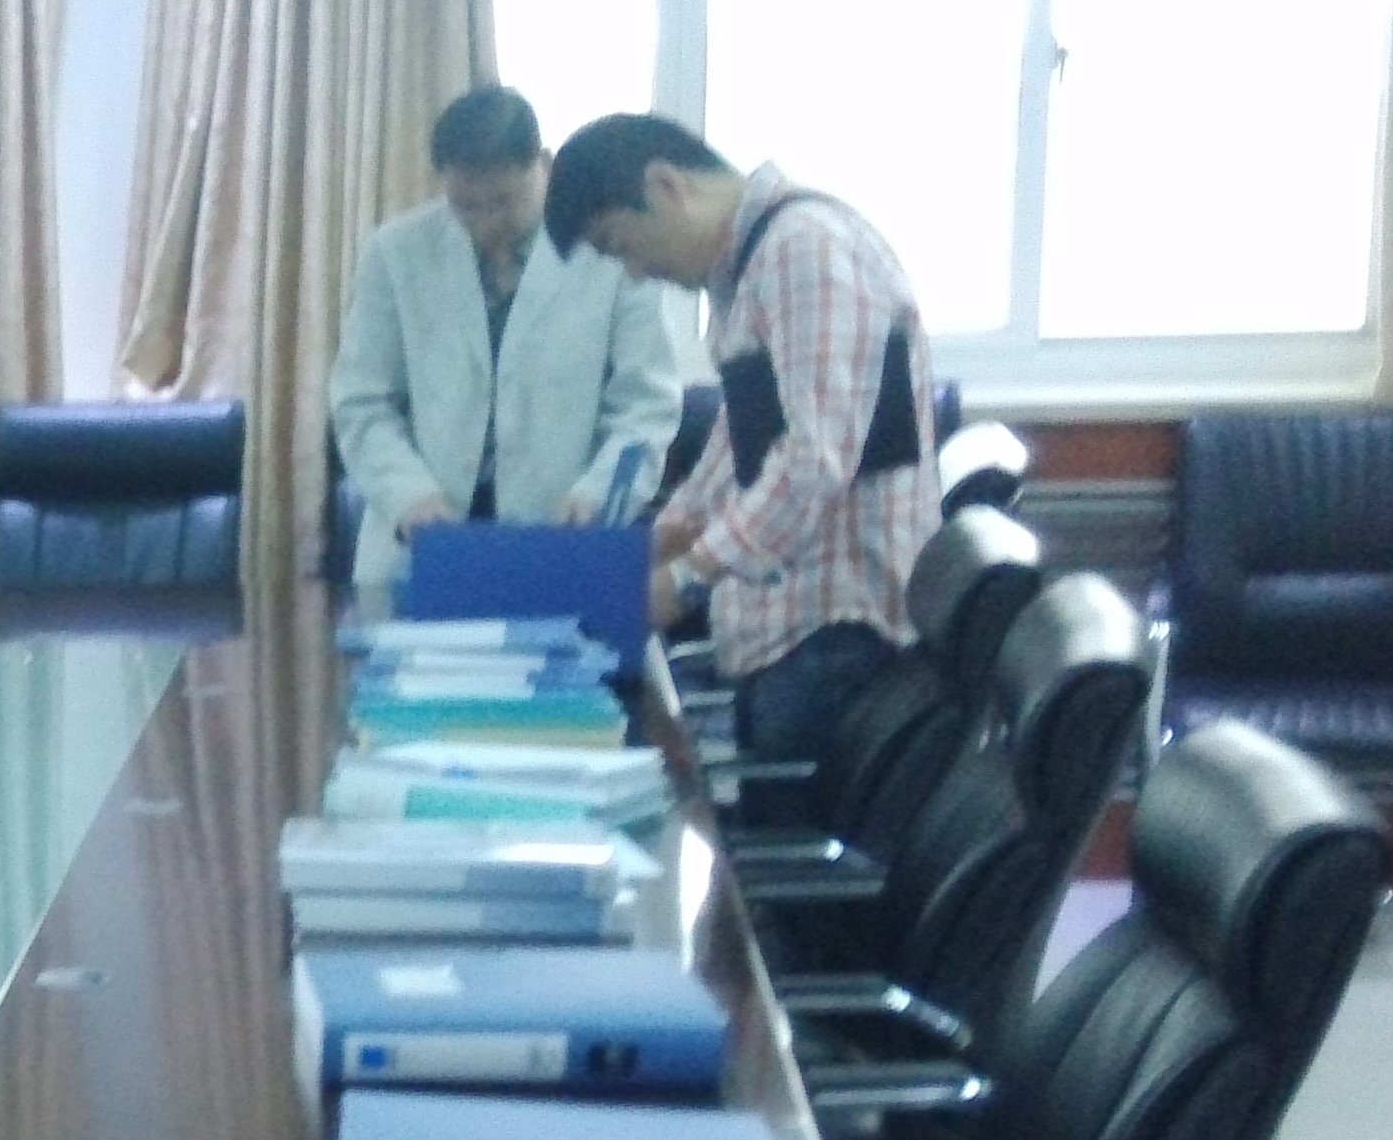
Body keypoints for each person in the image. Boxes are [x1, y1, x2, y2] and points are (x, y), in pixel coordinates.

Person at [545, 114, 942, 808]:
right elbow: (742, 447)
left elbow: (813, 462)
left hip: (837, 641)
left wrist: (685, 580)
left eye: (622, 246)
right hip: (792, 637)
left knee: (750, 864)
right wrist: (656, 541)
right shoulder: (752, 267)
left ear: (666, 187)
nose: (636, 272)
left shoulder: (805, 249)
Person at [326, 85, 690, 588]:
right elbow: (362, 403)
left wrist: (598, 494)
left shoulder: (610, 250)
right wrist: (408, 494)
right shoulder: (396, 254)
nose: (485, 223)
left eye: (503, 202)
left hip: (560, 538)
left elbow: (645, 405)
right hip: (423, 542)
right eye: (466, 206)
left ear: (544, 164)